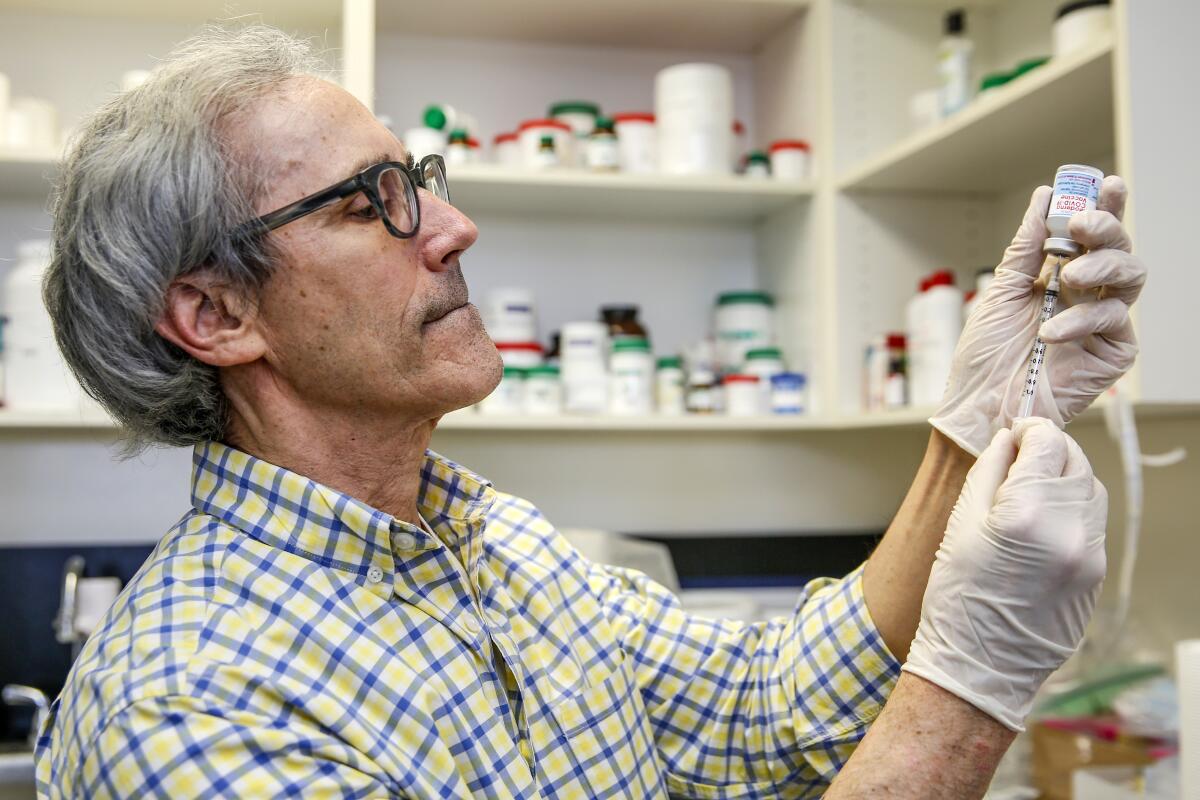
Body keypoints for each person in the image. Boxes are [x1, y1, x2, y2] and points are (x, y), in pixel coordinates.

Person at [33, 25, 1144, 800]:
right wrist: (967, 686)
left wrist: (972, 424)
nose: (453, 225)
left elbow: (764, 708)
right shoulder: (193, 707)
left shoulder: (490, 542)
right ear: (217, 314)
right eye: (372, 203)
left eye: (420, 175)